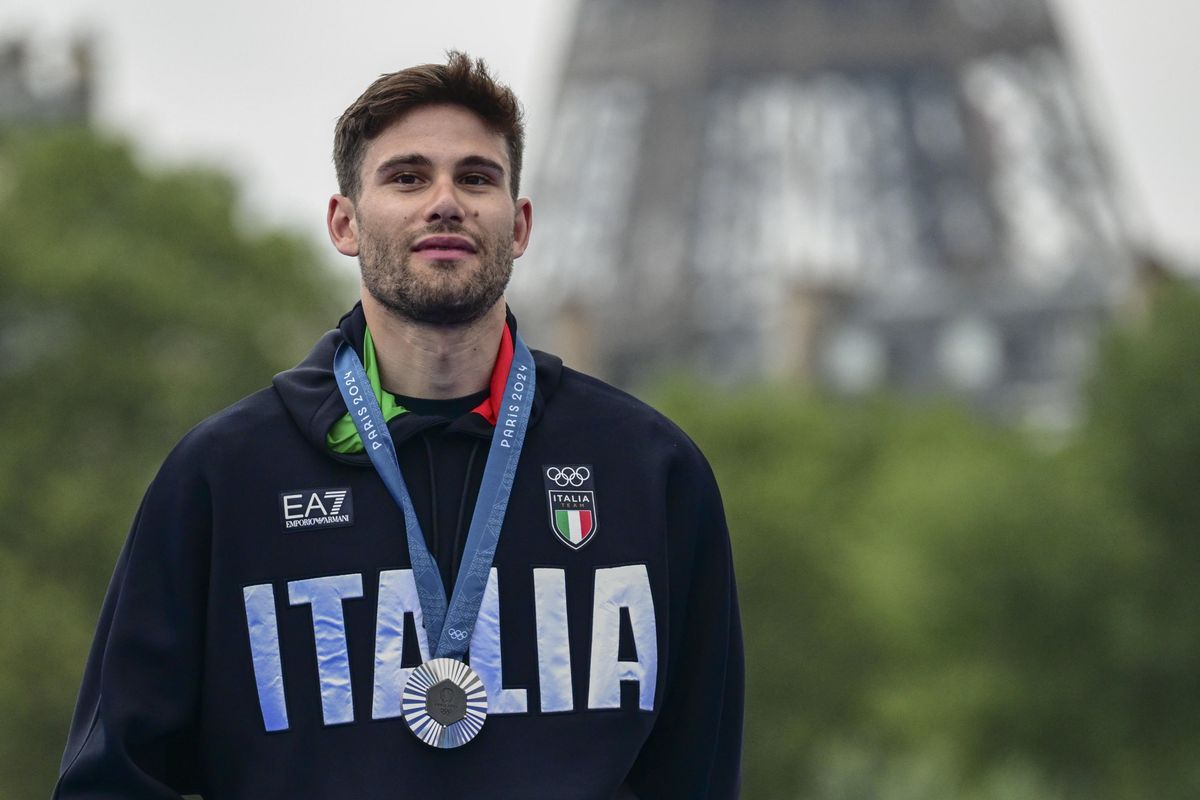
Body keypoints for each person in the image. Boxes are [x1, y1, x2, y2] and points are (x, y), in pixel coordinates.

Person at [55, 52, 743, 799]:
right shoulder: (224, 477)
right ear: (344, 223)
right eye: (408, 177)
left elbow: (697, 774)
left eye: (476, 178)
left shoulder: (649, 471)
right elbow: (111, 779)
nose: (445, 201)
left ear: (518, 225)